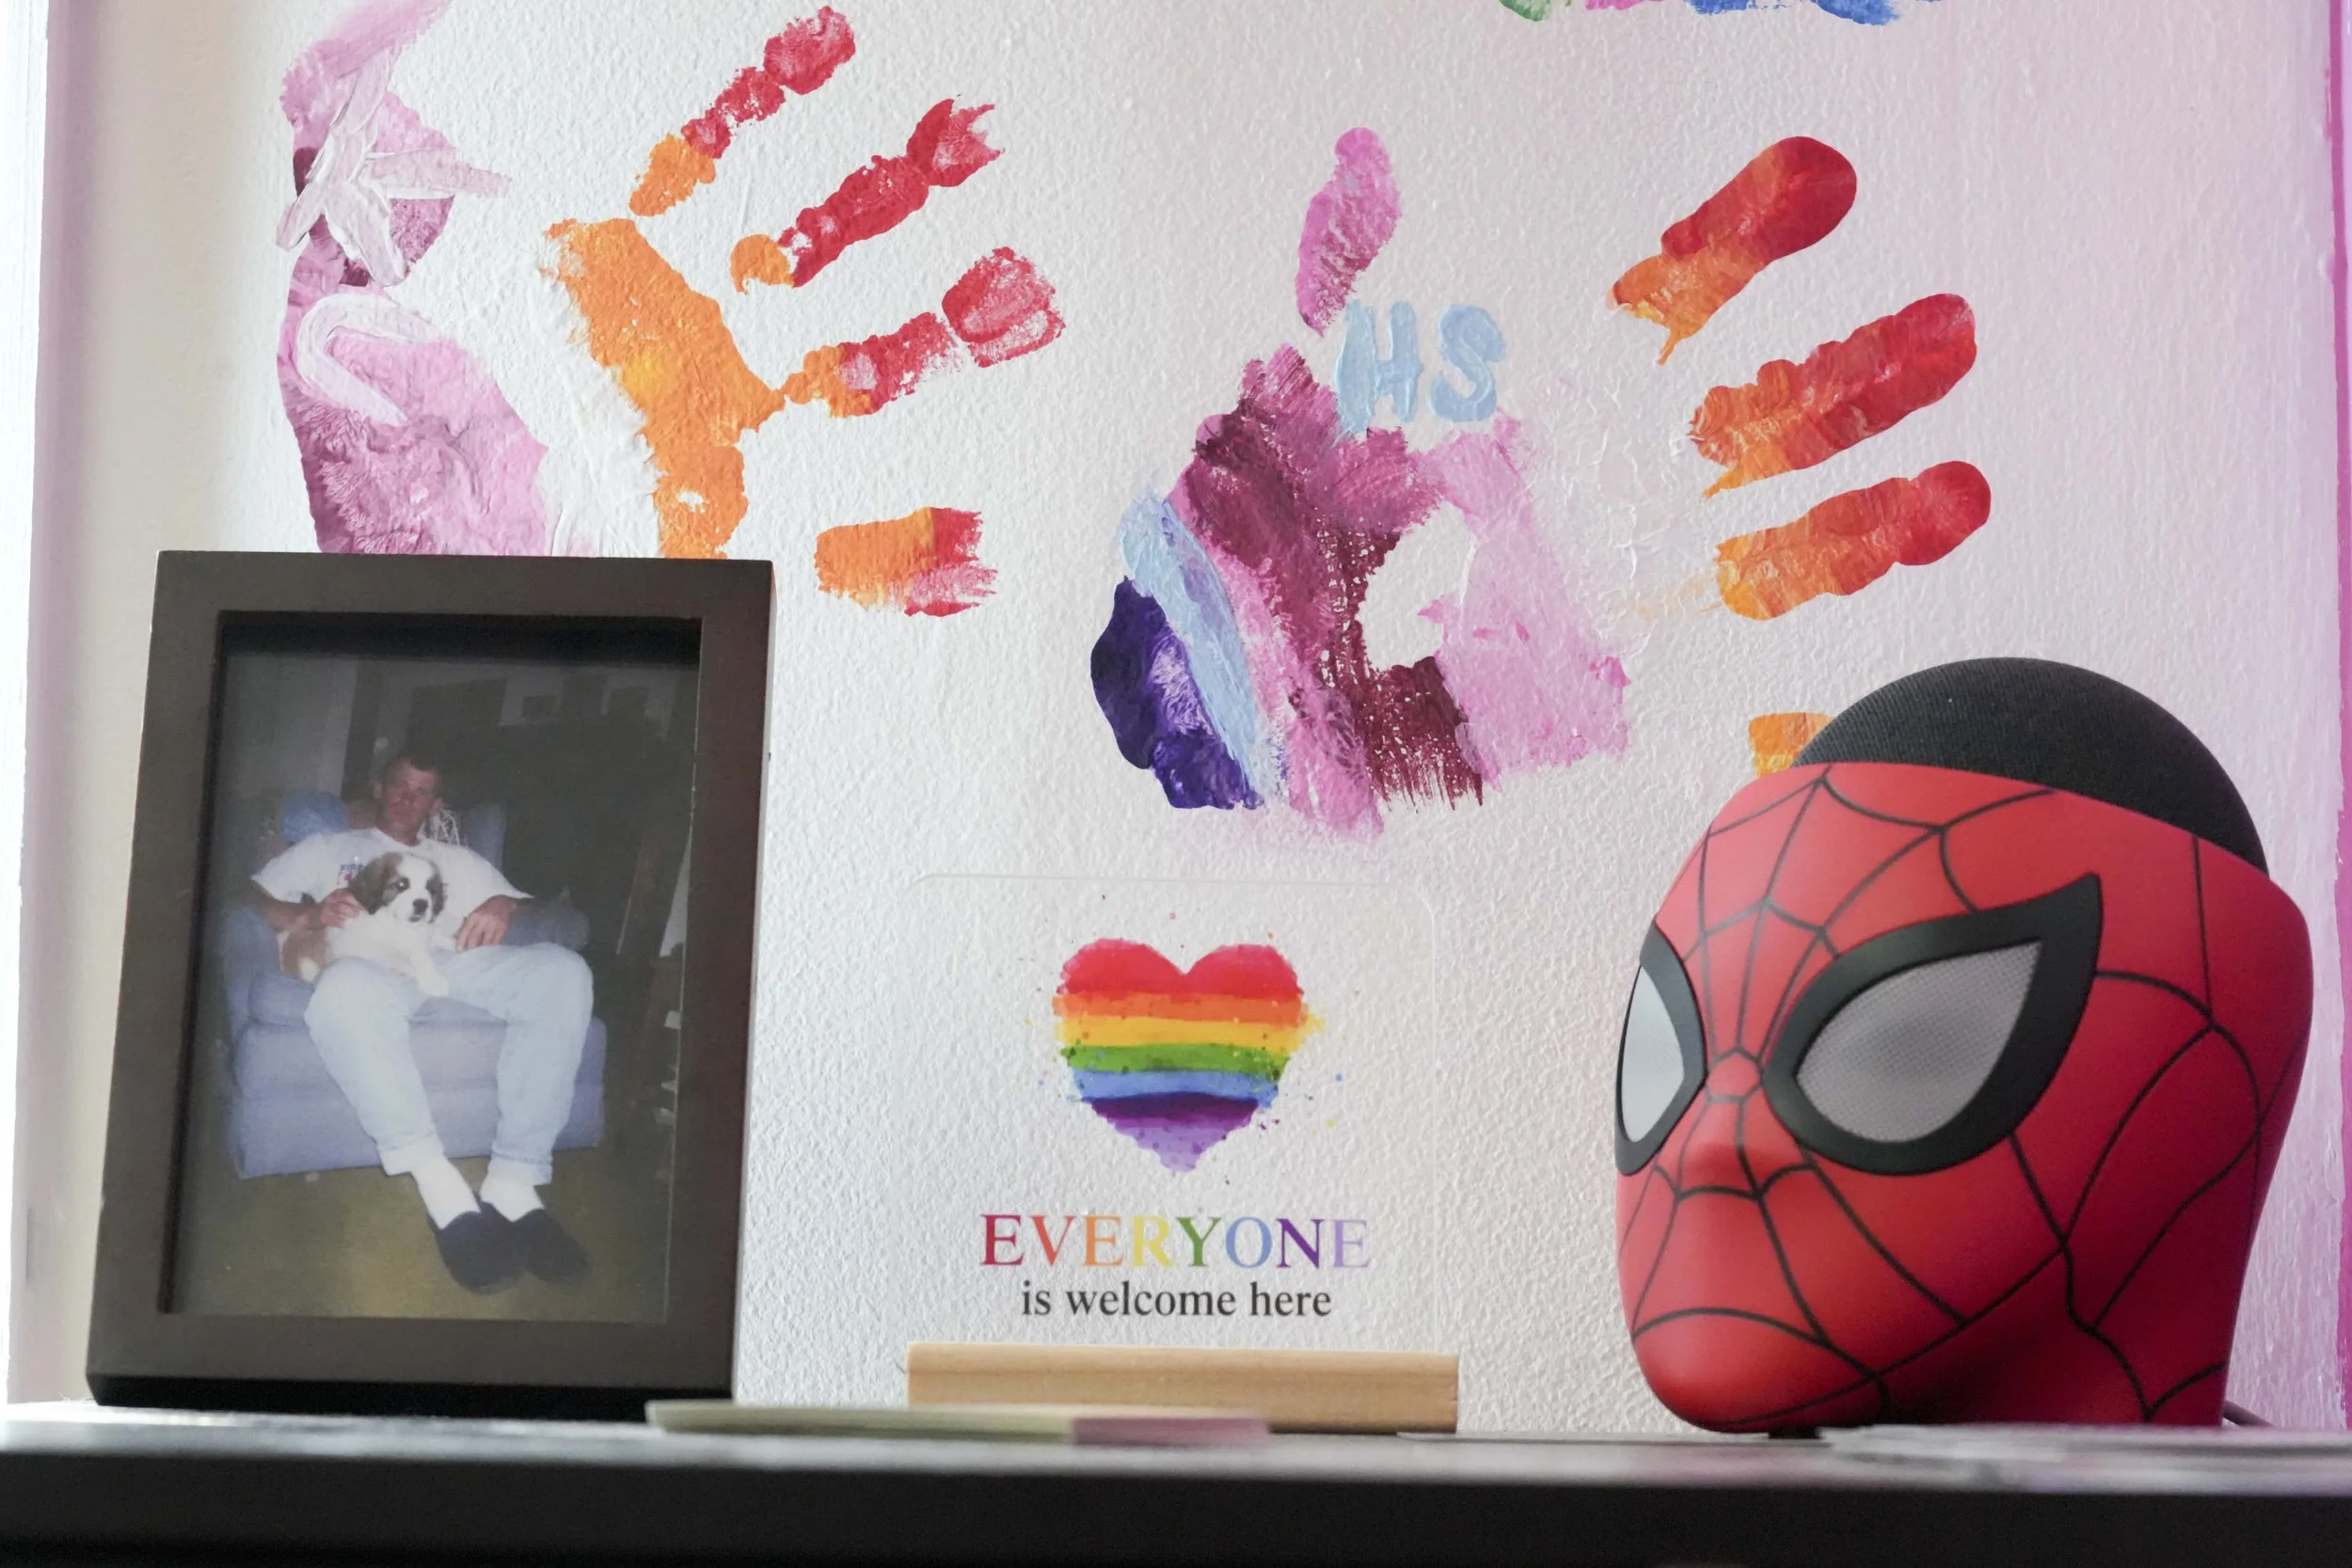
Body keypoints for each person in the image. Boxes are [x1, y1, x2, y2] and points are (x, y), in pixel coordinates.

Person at [247, 747, 593, 1293]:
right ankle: (443, 1190)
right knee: (343, 991)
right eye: (401, 786)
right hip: (369, 966)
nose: (410, 799)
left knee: (564, 972)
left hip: (449, 960)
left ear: (435, 801)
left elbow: (521, 900)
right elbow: (250, 889)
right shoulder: (331, 847)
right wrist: (301, 914)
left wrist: (503, 905)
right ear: (380, 787)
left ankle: (515, 1182)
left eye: (423, 790)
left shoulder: (455, 859)